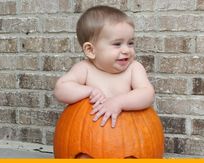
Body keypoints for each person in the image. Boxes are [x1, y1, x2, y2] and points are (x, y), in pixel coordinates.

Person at [54, 5, 154, 135]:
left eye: (130, 43)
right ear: (91, 50)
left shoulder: (134, 69)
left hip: (130, 135)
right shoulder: (85, 69)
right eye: (117, 44)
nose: (126, 50)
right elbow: (60, 90)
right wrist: (89, 90)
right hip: (90, 137)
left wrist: (118, 102)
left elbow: (147, 94)